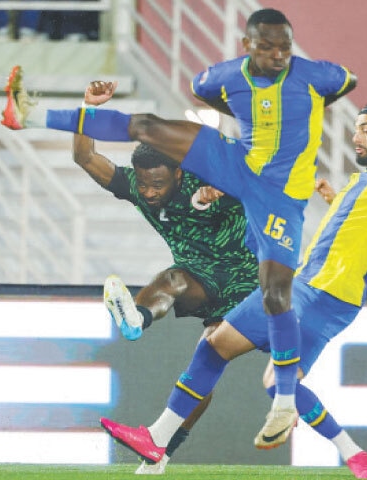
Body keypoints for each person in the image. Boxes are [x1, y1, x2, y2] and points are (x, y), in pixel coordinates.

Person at [1, 7, 357, 449]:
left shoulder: (313, 77)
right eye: (267, 47)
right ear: (247, 45)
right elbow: (197, 94)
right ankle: (29, 114)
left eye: (285, 46)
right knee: (147, 128)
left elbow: (346, 81)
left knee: (266, 301)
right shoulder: (221, 80)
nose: (279, 55)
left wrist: (299, 114)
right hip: (231, 187)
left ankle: (282, 404)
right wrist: (89, 107)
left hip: (269, 214)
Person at [101, 100, 367, 479]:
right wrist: (335, 199)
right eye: (356, 128)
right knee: (278, 384)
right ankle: (356, 456)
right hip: (340, 301)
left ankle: (157, 439)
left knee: (214, 347)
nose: (357, 136)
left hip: (310, 289)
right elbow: (364, 224)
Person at [76, 81, 260, 473]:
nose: (149, 192)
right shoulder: (137, 187)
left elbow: (254, 179)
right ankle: (136, 319)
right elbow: (85, 157)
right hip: (199, 280)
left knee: (205, 368)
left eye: (157, 184)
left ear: (178, 173)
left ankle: (161, 451)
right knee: (173, 279)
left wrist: (222, 188)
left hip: (247, 282)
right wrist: (87, 109)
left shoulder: (204, 177)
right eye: (143, 183)